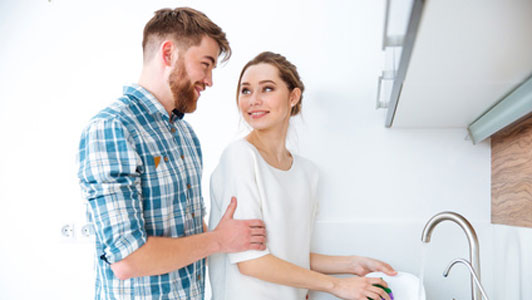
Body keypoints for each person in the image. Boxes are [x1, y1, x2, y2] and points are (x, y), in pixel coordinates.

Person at [77, 7, 266, 299]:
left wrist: (221, 240)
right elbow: (128, 260)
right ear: (168, 54)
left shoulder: (186, 136)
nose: (210, 80)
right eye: (205, 64)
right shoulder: (112, 127)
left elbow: (187, 229)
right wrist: (218, 240)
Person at [208, 51, 397, 300]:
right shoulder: (240, 156)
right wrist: (336, 286)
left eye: (267, 89)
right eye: (245, 91)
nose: (253, 100)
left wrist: (351, 264)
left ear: (293, 97)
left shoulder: (307, 173)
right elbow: (251, 262)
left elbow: (288, 254)